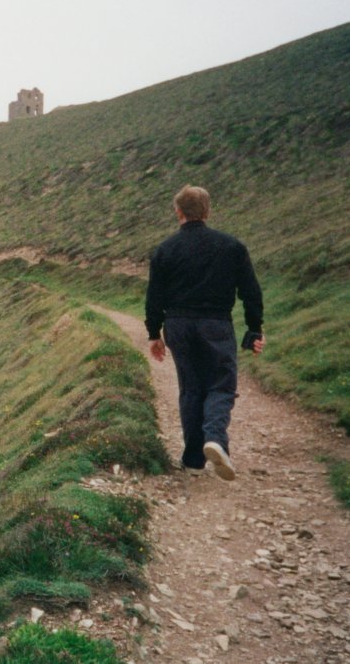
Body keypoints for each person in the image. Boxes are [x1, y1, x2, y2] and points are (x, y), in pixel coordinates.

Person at [144, 185, 264, 481]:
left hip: (179, 325)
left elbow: (154, 296)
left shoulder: (165, 249)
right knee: (221, 385)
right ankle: (215, 439)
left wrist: (154, 333)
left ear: (178, 213)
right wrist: (254, 328)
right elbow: (250, 291)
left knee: (191, 387)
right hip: (216, 324)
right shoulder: (231, 247)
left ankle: (193, 457)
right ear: (207, 211)